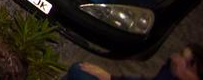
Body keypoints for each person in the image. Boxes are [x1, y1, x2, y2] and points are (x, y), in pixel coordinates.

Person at [65, 45, 199, 80]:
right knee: (80, 70)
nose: (175, 57)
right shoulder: (170, 71)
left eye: (182, 58)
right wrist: (110, 78)